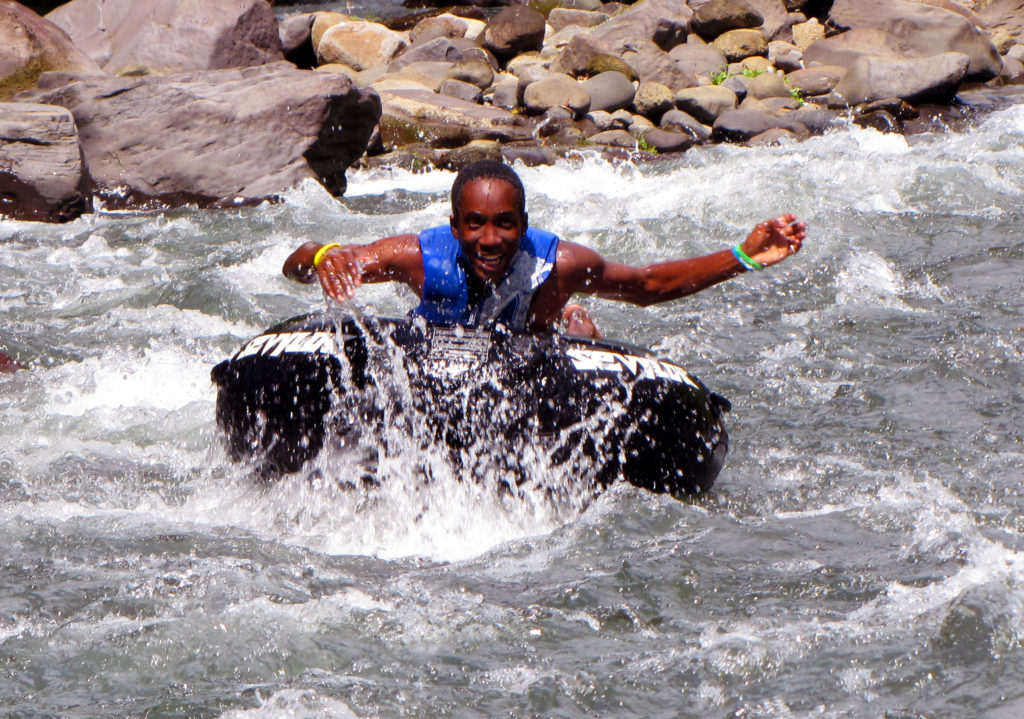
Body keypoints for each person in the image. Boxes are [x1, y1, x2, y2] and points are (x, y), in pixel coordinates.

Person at [283, 161, 805, 337]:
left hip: (532, 351)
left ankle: (569, 318)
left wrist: (743, 255)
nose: (491, 240)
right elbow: (299, 262)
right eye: (476, 225)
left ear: (524, 223)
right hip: (437, 348)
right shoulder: (417, 257)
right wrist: (327, 253)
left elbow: (647, 285)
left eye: (506, 225)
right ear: (455, 225)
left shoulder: (559, 266)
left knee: (572, 327)